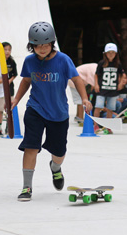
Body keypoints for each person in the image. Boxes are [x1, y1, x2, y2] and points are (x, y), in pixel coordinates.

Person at [11, 22, 91, 202]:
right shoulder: (29, 61)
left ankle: (55, 168)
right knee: (31, 146)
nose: (42, 48)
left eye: (46, 45)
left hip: (58, 113)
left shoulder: (63, 59)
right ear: (31, 45)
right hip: (35, 109)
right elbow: (26, 81)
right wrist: (16, 99)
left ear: (52, 43)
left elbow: (77, 79)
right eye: (37, 45)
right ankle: (26, 187)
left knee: (59, 152)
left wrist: (84, 99)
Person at [93, 43, 125, 121]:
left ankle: (108, 125)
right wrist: (96, 84)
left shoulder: (118, 64)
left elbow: (122, 74)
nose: (111, 55)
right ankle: (95, 124)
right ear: (105, 54)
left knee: (110, 108)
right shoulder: (101, 63)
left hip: (113, 90)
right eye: (109, 53)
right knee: (98, 106)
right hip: (102, 89)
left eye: (113, 52)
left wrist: (121, 83)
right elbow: (96, 74)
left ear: (116, 54)